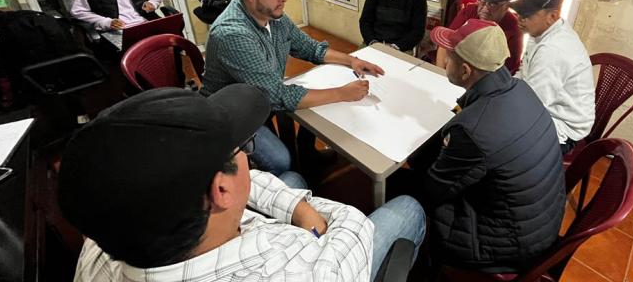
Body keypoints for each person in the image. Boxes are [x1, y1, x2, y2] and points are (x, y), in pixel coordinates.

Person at [57, 84, 426, 281]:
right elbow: (353, 224)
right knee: (408, 208)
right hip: (317, 251)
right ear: (220, 190)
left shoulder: (101, 240)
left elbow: (254, 181)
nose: (248, 157)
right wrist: (310, 221)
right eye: (242, 148)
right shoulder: (305, 270)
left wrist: (297, 207)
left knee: (291, 179)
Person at [201, 0, 384, 175]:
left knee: (313, 104)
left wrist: (352, 61)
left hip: (260, 97)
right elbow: (277, 95)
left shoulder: (272, 15)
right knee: (281, 161)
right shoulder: (232, 34)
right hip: (231, 117)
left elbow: (310, 48)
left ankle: (307, 157)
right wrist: (342, 93)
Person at [424, 19, 565, 271]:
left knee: (411, 193)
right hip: (540, 223)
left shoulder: (472, 130)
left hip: (506, 243)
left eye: (449, 56)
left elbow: (435, 189)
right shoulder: (521, 89)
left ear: (465, 71)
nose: (444, 60)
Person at [512, 0, 595, 154]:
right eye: (519, 13)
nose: (520, 19)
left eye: (527, 15)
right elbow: (523, 74)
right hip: (544, 107)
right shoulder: (540, 32)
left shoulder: (553, 50)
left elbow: (531, 105)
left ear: (552, 16)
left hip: (563, 126)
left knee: (497, 141)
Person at [435, 0, 522, 74]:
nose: (485, 8)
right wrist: (440, 74)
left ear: (505, 7)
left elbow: (508, 70)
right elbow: (445, 44)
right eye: (482, 1)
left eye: (492, 4)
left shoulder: (514, 27)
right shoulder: (469, 11)